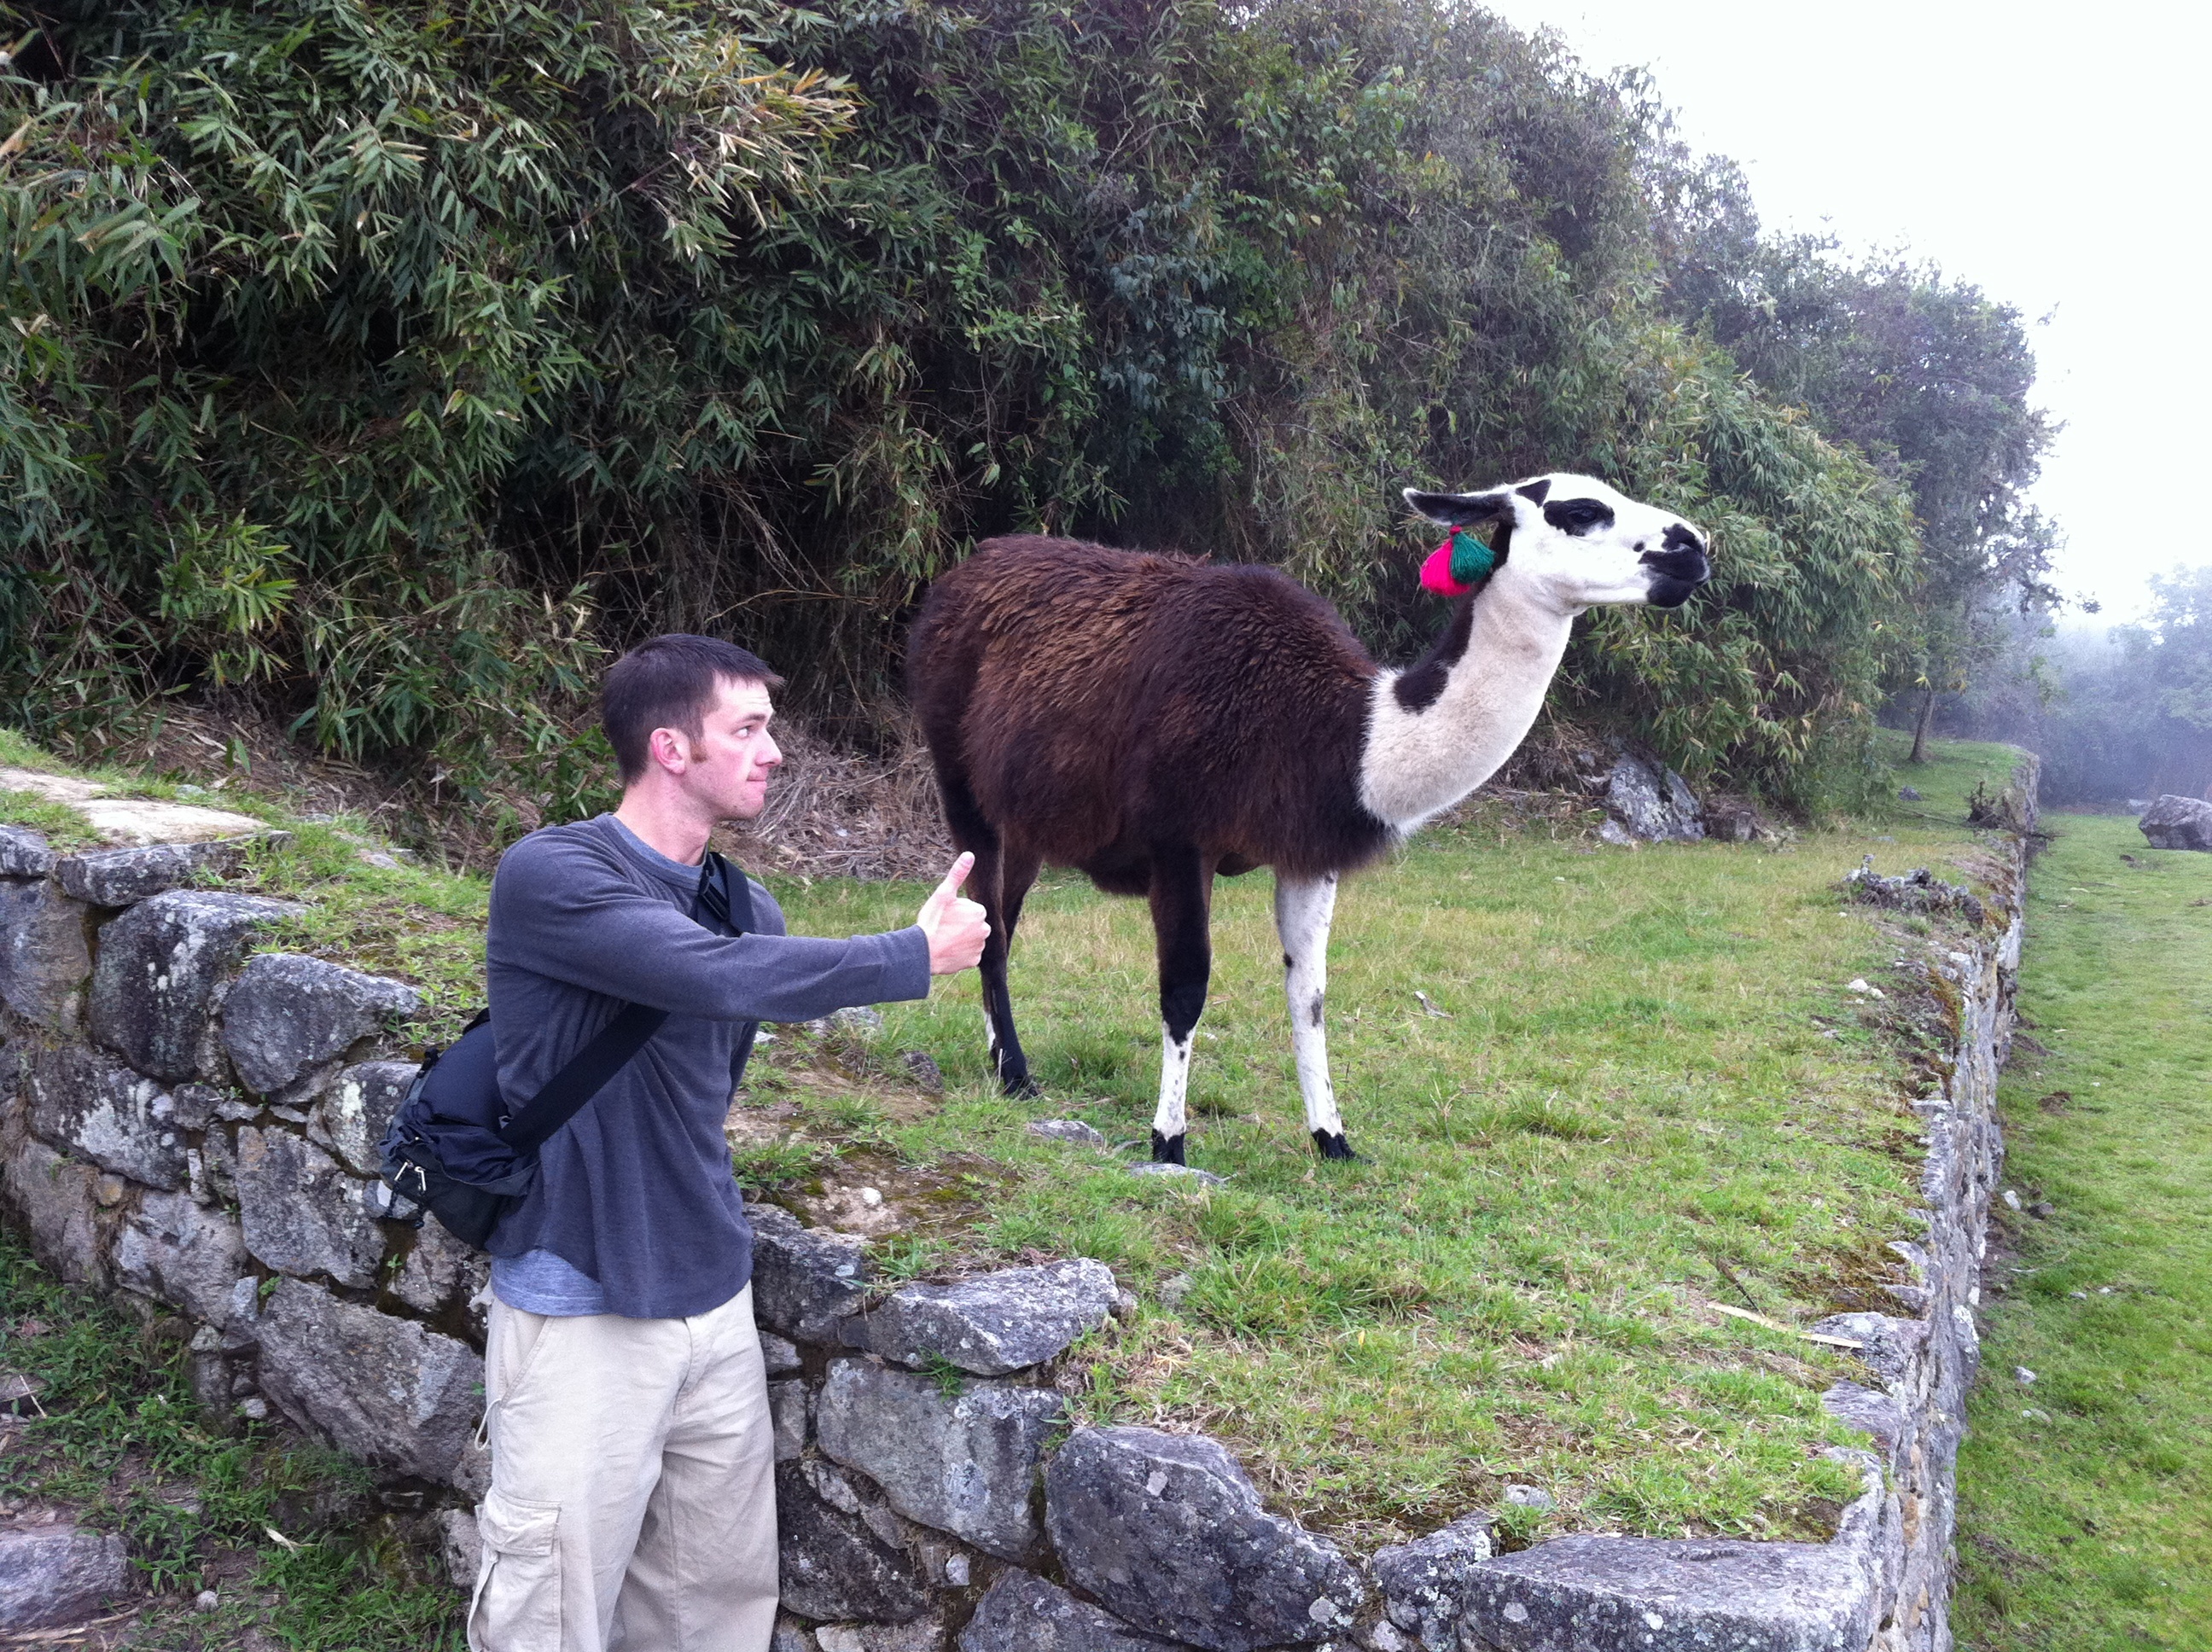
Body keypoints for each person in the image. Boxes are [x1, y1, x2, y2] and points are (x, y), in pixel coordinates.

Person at [467, 633, 988, 1652]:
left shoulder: (748, 906)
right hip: (580, 1296)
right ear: (670, 747)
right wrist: (909, 955)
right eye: (747, 729)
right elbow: (710, 975)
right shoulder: (554, 874)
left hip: (710, 1297)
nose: (774, 751)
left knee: (711, 1603)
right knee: (550, 1606)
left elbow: (717, 1063)